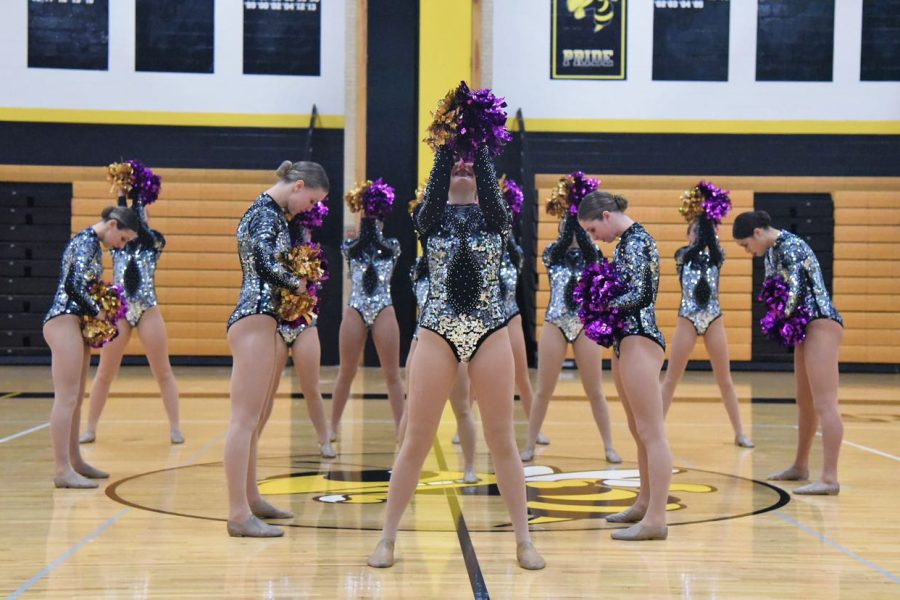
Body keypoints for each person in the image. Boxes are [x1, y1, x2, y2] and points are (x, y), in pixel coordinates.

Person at [367, 145, 544, 569]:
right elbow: (429, 200)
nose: (463, 169)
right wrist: (449, 145)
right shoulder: (429, 219)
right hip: (437, 333)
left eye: (471, 166)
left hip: (490, 332)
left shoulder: (495, 219)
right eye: (455, 166)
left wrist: (477, 143)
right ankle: (387, 538)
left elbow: (490, 190)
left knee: (501, 440)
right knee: (416, 441)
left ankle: (524, 541)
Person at [224, 160, 329, 537]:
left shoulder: (270, 214)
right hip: (255, 317)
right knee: (244, 421)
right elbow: (267, 264)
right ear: (298, 185)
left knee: (254, 419)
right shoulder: (266, 216)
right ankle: (238, 514)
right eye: (312, 200)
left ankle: (251, 499)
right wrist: (298, 284)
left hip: (263, 320)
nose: (311, 208)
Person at [578, 191, 672, 541]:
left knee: (652, 432)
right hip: (626, 340)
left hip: (640, 339)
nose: (594, 237)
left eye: (591, 229)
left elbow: (642, 293)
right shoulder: (626, 243)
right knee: (638, 430)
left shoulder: (638, 241)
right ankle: (644, 502)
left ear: (605, 215)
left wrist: (601, 306)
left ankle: (657, 519)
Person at [732, 211, 843, 495]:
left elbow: (793, 293)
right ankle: (800, 466)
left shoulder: (791, 246)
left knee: (825, 403)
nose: (749, 252)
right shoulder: (770, 253)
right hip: (804, 327)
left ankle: (829, 478)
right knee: (805, 401)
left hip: (821, 322)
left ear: (758, 232)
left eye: (746, 245)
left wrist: (777, 317)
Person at [43, 205, 138, 488]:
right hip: (63, 319)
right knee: (66, 397)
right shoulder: (85, 242)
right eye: (122, 239)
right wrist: (98, 310)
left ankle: (74, 460)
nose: (121, 245)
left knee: (75, 396)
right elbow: (73, 286)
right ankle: (62, 470)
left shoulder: (93, 244)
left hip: (73, 321)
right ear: (112, 225)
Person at [81, 184, 183, 445]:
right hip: (121, 311)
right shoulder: (118, 245)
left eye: (144, 219)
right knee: (104, 372)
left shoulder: (154, 244)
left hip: (147, 309)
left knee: (163, 371)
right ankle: (90, 427)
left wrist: (140, 199)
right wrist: (125, 191)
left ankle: (175, 426)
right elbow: (120, 218)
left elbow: (143, 228)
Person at [522, 214, 620, 464]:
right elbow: (559, 248)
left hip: (585, 325)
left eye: (578, 227)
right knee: (544, 389)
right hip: (556, 322)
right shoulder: (552, 253)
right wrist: (570, 225)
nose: (573, 232)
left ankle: (609, 446)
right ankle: (530, 444)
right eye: (568, 228)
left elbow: (595, 260)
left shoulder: (593, 254)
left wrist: (580, 223)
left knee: (595, 390)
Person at [661, 216, 753, 448]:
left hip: (714, 319)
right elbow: (691, 252)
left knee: (725, 379)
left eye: (703, 232)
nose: (699, 235)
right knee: (672, 377)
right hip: (688, 319)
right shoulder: (682, 255)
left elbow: (713, 247)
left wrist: (707, 225)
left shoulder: (716, 256)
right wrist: (700, 230)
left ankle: (740, 432)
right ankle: (655, 427)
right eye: (695, 232)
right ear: (687, 235)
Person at [330, 209, 404, 438]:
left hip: (383, 307)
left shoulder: (392, 246)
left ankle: (402, 429)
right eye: (369, 217)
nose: (374, 222)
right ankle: (332, 427)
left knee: (392, 373)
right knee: (346, 371)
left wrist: (374, 228)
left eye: (377, 217)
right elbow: (351, 248)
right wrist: (365, 227)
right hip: (356, 309)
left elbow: (387, 248)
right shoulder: (351, 247)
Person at [269, 216, 335, 459]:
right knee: (270, 387)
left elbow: (314, 283)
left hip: (305, 323)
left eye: (310, 229)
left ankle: (324, 439)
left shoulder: (312, 255)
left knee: (311, 387)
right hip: (277, 324)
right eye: (304, 228)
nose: (308, 232)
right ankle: (252, 438)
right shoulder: (277, 250)